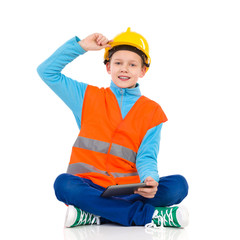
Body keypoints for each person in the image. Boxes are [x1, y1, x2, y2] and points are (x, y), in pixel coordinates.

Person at [37, 28, 189, 228]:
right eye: (118, 63)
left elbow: (146, 156)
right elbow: (46, 71)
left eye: (132, 64)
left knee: (178, 185)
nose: (124, 69)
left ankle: (95, 215)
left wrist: (150, 180)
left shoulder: (152, 111)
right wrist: (81, 46)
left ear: (143, 71)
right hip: (89, 187)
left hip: (131, 190)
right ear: (108, 67)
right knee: (63, 184)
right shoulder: (86, 97)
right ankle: (149, 217)